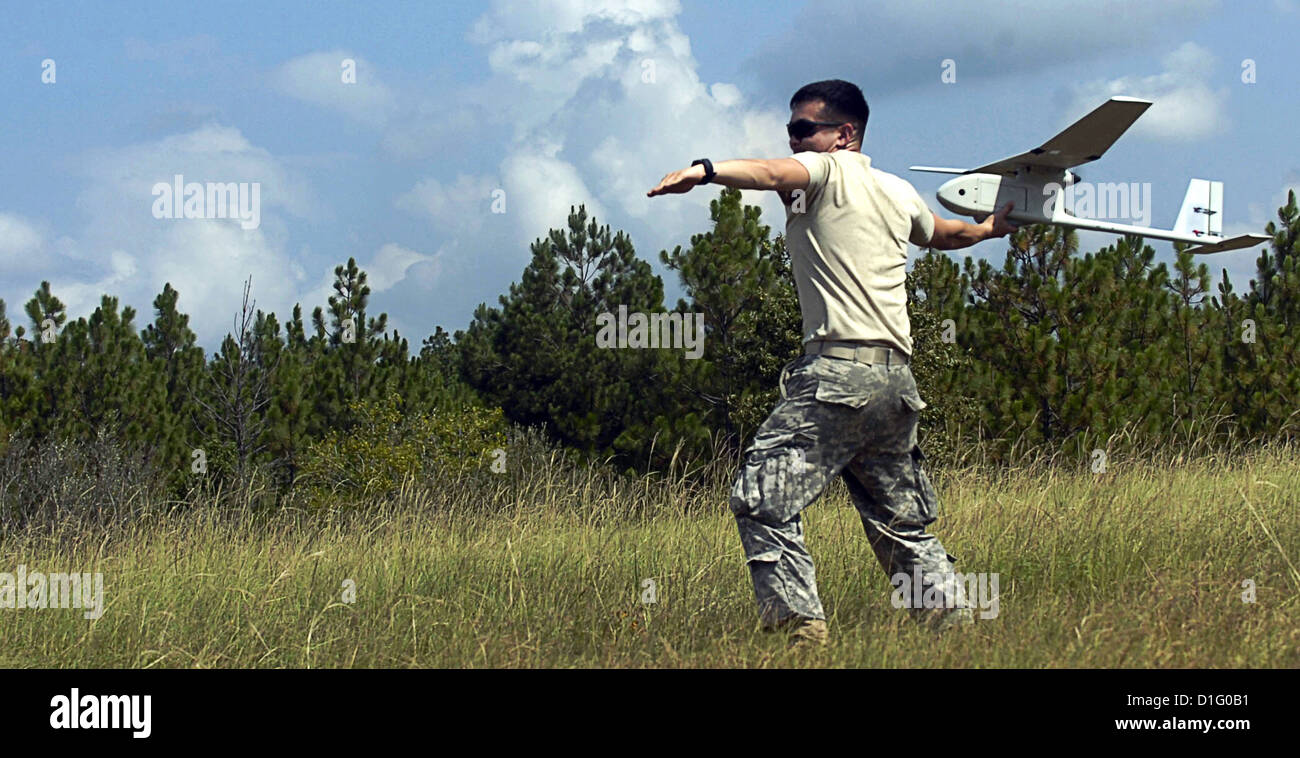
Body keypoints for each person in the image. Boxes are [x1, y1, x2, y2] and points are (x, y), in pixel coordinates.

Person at [647, 79, 1017, 646]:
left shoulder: (827, 171)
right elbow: (944, 235)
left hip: (839, 374)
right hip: (895, 384)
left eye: (804, 130)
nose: (793, 140)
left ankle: (801, 630)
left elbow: (771, 174)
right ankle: (956, 633)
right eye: (790, 129)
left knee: (761, 498)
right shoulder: (896, 191)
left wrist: (704, 170)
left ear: (845, 135)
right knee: (900, 524)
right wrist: (991, 228)